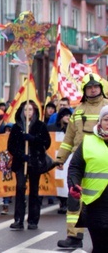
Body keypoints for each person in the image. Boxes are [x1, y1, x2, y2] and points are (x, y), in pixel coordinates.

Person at [55, 73, 108, 249]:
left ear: (101, 88)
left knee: (98, 205)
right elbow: (69, 138)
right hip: (80, 161)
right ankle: (74, 236)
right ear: (84, 90)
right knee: (74, 200)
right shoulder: (77, 112)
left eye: (96, 86)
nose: (93, 90)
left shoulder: (107, 107)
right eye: (89, 87)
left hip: (100, 163)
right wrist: (60, 158)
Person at [67, 104, 108, 252]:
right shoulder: (88, 142)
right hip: (95, 205)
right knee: (100, 247)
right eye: (106, 119)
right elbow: (75, 167)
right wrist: (74, 184)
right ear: (100, 121)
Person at [7, 100, 51, 230]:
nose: (28, 112)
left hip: (35, 162)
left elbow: (46, 143)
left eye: (30, 109)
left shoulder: (40, 126)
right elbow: (11, 146)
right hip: (21, 163)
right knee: (20, 188)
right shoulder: (16, 127)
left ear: (35, 111)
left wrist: (33, 139)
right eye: (25, 110)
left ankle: (33, 220)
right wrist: (21, 155)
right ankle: (18, 219)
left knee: (34, 191)